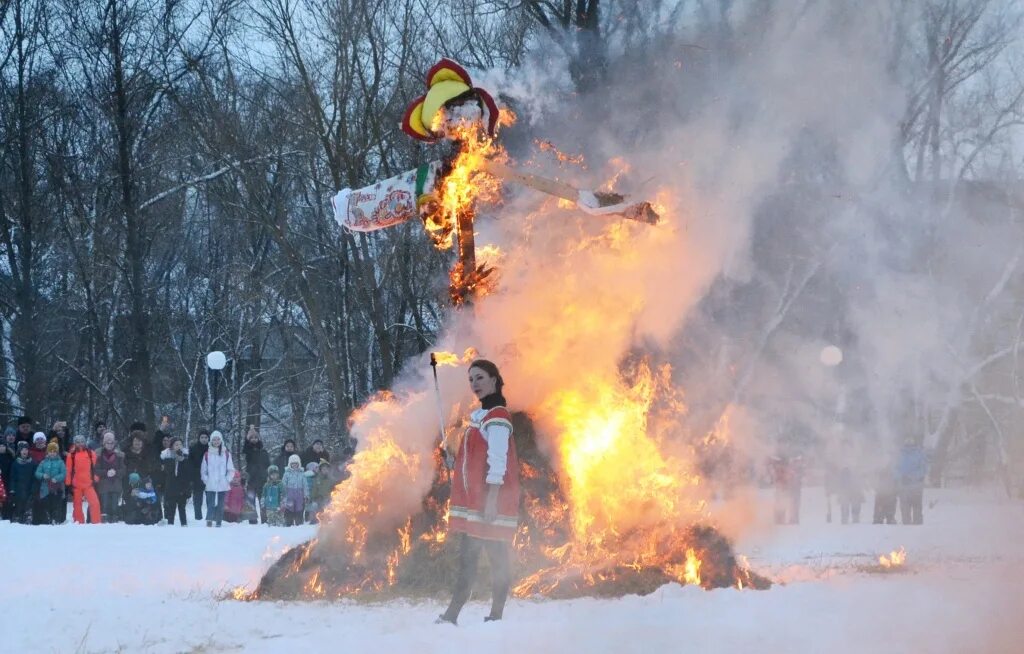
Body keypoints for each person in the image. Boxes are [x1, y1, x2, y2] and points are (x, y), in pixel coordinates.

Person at [437, 360, 520, 625]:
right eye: (471, 379)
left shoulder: (497, 416)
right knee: (470, 558)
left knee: (494, 560)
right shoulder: (479, 416)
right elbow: (473, 456)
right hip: (475, 501)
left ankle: (492, 615)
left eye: (480, 378)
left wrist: (492, 502)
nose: (474, 384)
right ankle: (456, 615)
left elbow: (498, 461)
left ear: (494, 379)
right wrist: (454, 459)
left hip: (489, 501)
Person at [200, 430, 234, 527]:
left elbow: (231, 469)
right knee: (210, 503)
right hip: (210, 484)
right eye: (214, 439)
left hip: (222, 485)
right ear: (211, 441)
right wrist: (206, 480)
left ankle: (219, 521)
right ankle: (209, 520)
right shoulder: (207, 454)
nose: (216, 441)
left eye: (218, 439)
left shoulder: (226, 454)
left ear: (221, 440)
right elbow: (203, 470)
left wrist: (227, 479)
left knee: (220, 504)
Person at [66, 434, 102, 524]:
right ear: (75, 443)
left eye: (82, 441)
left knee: (95, 503)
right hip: (76, 485)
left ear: (85, 442)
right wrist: (68, 483)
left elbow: (95, 468)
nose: (80, 444)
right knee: (77, 505)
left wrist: (96, 478)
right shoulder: (71, 455)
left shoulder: (91, 453)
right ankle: (79, 522)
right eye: (78, 442)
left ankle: (96, 523)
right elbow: (68, 470)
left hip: (88, 484)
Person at [95, 432, 126, 522]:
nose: (109, 445)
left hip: (116, 483)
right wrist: (106, 472)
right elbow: (96, 469)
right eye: (107, 442)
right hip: (103, 484)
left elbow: (123, 470)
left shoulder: (119, 456)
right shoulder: (99, 455)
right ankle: (105, 518)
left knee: (114, 504)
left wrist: (115, 472)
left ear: (114, 443)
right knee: (104, 503)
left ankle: (114, 519)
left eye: (111, 442)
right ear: (104, 443)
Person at [160, 436, 192, 526]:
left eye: (180, 444)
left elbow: (188, 472)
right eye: (176, 444)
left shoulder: (185, 457)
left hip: (182, 487)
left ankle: (184, 524)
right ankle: (170, 525)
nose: (179, 446)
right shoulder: (167, 457)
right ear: (171, 446)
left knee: (182, 508)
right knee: (171, 508)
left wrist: (182, 460)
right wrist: (174, 461)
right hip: (171, 487)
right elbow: (167, 471)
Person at [34, 442, 67, 524]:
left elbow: (64, 473)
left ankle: (55, 519)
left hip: (57, 487)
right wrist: (43, 475)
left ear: (57, 452)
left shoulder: (60, 462)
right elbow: (37, 473)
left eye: (54, 451)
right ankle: (47, 519)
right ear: (47, 452)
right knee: (46, 504)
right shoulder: (43, 462)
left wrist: (56, 478)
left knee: (56, 504)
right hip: (45, 488)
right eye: (50, 451)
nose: (52, 453)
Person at [242, 426, 270, 522]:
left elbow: (268, 465)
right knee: (250, 500)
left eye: (255, 437)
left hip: (262, 479)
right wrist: (248, 435)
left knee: (263, 501)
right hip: (251, 479)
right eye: (251, 438)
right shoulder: (248, 451)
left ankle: (265, 520)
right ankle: (252, 520)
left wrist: (267, 475)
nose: (254, 439)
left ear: (258, 439)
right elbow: (245, 449)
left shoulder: (263, 451)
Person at [897, 439, 927, 525]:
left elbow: (923, 469)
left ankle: (917, 525)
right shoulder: (900, 454)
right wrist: (901, 476)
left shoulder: (919, 454)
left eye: (911, 442)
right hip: (903, 485)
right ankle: (906, 524)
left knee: (917, 505)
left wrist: (914, 476)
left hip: (916, 485)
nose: (909, 444)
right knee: (904, 506)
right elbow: (895, 468)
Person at [8, 443, 37, 523]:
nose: (24, 451)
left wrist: (33, 489)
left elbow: (34, 478)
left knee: (28, 508)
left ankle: (27, 522)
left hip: (29, 490)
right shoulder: (15, 463)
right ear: (20, 451)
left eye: (26, 450)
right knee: (18, 507)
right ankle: (17, 521)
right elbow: (12, 478)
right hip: (18, 490)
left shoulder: (32, 463)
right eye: (22, 450)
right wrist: (12, 489)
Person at [281, 454, 308, 526]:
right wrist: (283, 495)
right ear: (290, 464)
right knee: (289, 508)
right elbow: (283, 484)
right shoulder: (286, 473)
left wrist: (306, 495)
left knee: (299, 508)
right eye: (293, 463)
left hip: (299, 494)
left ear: (299, 464)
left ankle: (299, 522)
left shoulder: (302, 474)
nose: (294, 465)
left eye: (296, 463)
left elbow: (305, 485)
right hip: (290, 494)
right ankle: (289, 522)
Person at [188, 430, 210, 520]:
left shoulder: (212, 448)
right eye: (202, 437)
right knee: (197, 499)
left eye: (206, 437)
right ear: (199, 438)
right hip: (196, 476)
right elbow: (190, 463)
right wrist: (191, 478)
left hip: (209, 476)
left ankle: (210, 517)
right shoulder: (194, 448)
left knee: (210, 499)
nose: (204, 439)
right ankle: (198, 517)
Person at [0, 441, 14, 521]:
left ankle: (7, 518)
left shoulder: (9, 456)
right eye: (0, 446)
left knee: (6, 500)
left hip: (7, 481)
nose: (1, 447)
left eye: (3, 446)